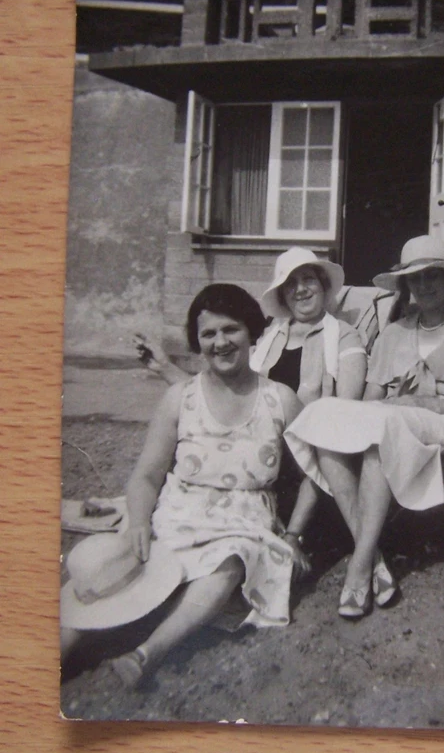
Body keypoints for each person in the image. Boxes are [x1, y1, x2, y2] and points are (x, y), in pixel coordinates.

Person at [61, 284, 304, 687]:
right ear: (197, 341)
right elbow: (147, 474)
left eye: (231, 330)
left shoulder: (280, 399)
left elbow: (313, 473)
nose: (220, 342)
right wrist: (138, 522)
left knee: (228, 563)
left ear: (251, 333)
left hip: (241, 524)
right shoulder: (180, 397)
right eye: (208, 334)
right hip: (176, 514)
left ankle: (146, 655)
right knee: (106, 572)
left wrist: (295, 532)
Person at [285, 235, 444, 619]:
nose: (423, 286)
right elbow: (372, 403)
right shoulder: (394, 333)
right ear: (404, 287)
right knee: (323, 418)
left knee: (383, 427)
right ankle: (373, 559)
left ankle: (358, 568)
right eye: (414, 279)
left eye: (432, 276)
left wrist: (434, 401)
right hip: (396, 422)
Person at [134, 248, 368, 566]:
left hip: (314, 463)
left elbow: (344, 414)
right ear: (283, 294)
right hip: (262, 461)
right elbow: (224, 393)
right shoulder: (269, 337)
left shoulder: (345, 337)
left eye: (308, 279)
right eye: (290, 283)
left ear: (324, 285)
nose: (300, 289)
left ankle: (357, 553)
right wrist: (166, 368)